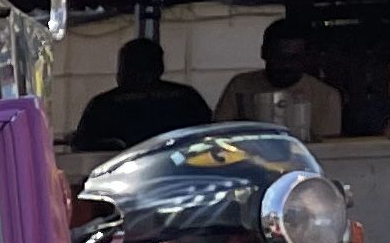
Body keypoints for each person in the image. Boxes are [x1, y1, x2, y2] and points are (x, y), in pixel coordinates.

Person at [69, 37, 213, 152]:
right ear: (160, 67)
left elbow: (82, 144)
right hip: (179, 175)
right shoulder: (187, 97)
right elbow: (210, 136)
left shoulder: (105, 104)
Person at [218, 23, 342, 142]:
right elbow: (218, 136)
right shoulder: (240, 86)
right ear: (264, 53)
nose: (286, 65)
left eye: (294, 58)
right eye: (279, 57)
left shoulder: (326, 96)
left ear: (306, 58)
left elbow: (327, 149)